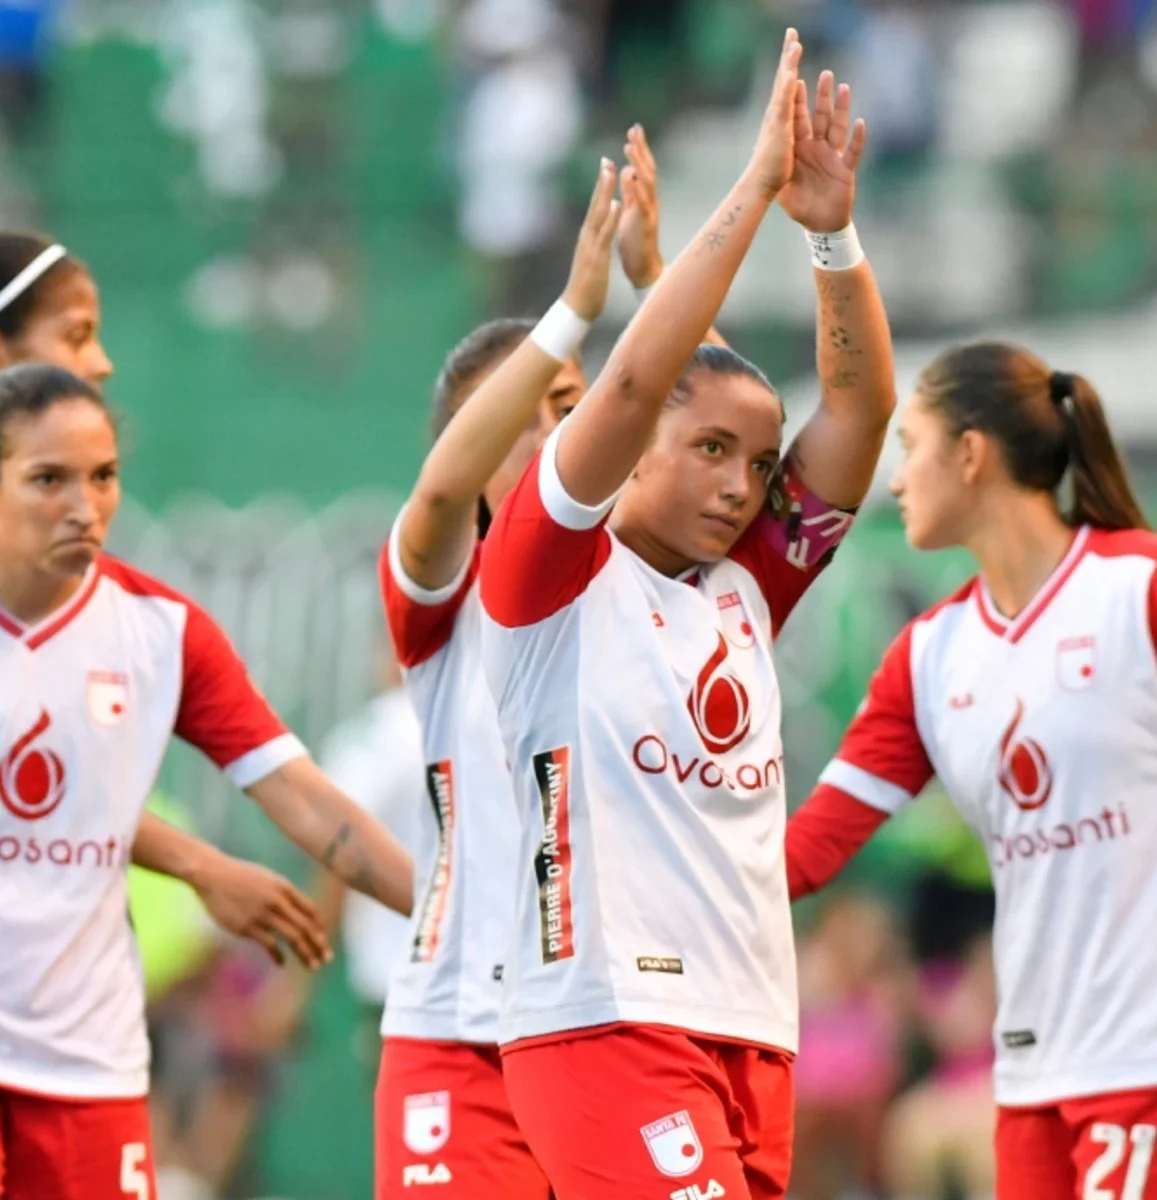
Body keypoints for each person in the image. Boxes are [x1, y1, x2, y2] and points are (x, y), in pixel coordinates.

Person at [479, 30, 895, 1200]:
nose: (737, 484)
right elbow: (626, 382)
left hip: (751, 1026)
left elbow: (860, 409)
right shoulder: (547, 573)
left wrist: (828, 228)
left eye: (757, 465)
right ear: (632, 443)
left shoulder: (746, 587)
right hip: (603, 1020)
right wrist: (752, 191)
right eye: (708, 448)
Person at [783, 340, 1157, 1200]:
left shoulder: (1154, 584)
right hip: (1034, 1077)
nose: (894, 480)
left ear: (970, 454)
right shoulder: (929, 655)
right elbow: (809, 851)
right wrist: (657, 890)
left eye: (909, 446)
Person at [0, 364, 415, 1200]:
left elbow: (305, 800)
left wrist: (458, 914)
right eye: (48, 480)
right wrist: (203, 866)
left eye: (102, 478)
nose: (84, 506)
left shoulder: (159, 633)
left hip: (90, 1058)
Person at [373, 123, 692, 1199]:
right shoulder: (439, 594)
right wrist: (572, 321)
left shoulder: (647, 577)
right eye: (546, 412)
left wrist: (661, 286)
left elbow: (726, 431)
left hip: (613, 1023)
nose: (575, 431)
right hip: (459, 1032)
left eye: (584, 407)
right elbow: (431, 495)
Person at [0, 232, 335, 971]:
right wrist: (200, 863)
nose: (101, 363)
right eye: (76, 335)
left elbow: (9, 768)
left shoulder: (6, 539)